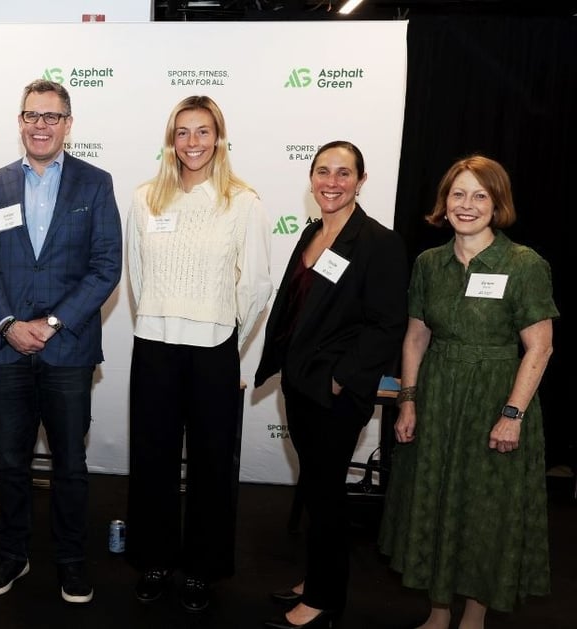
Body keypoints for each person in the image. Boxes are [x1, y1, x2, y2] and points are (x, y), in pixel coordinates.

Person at [379, 156, 555, 629]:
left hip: (495, 399)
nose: (467, 204)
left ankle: (473, 618)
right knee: (435, 502)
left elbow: (540, 347)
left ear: (497, 205)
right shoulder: (429, 264)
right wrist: (408, 399)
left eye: (480, 195)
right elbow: (415, 337)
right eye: (458, 194)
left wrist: (512, 414)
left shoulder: (523, 264)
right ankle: (438, 614)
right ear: (445, 202)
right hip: (437, 398)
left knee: (483, 512)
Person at [0, 79, 122, 604]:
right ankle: (13, 553)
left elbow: (106, 268)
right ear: (19, 121)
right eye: (32, 115)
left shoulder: (95, 184)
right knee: (9, 460)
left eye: (51, 116)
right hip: (7, 347)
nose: (40, 125)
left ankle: (72, 561)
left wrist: (53, 324)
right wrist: (10, 324)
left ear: (68, 124)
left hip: (67, 349)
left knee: (70, 465)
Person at [125, 95, 272, 612]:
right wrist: (162, 317)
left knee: (211, 465)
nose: (193, 142)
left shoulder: (243, 201)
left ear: (219, 138)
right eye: (183, 132)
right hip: (155, 346)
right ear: (171, 140)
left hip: (213, 350)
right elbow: (138, 277)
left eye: (203, 131)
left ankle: (202, 570)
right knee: (152, 461)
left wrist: (228, 335)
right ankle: (156, 560)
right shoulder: (145, 199)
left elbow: (255, 285)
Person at [254, 141, 408, 629]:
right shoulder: (311, 233)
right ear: (311, 177)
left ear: (361, 181)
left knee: (326, 493)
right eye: (323, 171)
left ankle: (323, 600)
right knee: (318, 489)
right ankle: (321, 575)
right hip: (300, 384)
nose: (332, 182)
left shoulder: (378, 243)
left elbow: (387, 324)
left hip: (336, 393)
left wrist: (344, 379)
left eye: (344, 174)